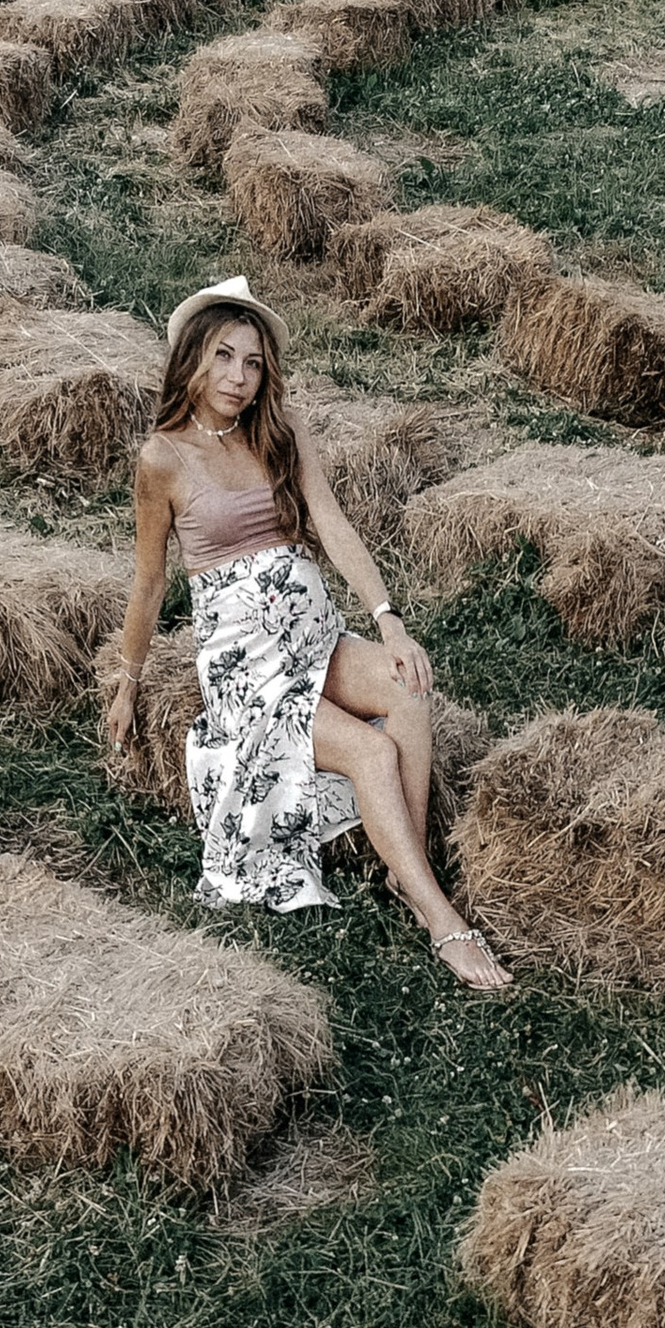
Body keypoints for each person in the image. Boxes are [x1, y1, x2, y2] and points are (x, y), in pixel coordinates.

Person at [104, 275, 510, 995]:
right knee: (370, 748)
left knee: (409, 688)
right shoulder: (163, 458)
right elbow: (150, 583)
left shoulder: (280, 432)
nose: (238, 377)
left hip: (313, 638)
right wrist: (128, 681)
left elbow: (333, 526)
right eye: (224, 357)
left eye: (253, 362)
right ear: (193, 359)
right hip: (247, 670)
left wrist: (389, 620)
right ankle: (440, 915)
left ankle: (401, 867)